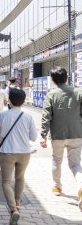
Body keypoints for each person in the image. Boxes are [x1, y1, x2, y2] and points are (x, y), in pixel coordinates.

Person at [40, 67, 82, 210]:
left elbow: (46, 115)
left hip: (57, 135)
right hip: (76, 134)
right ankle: (81, 186)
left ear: (52, 80)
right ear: (67, 78)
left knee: (57, 160)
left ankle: (57, 187)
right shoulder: (78, 92)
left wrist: (43, 135)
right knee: (75, 164)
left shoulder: (51, 95)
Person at [0, 88, 38, 225]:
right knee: (20, 178)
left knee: (6, 182)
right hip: (24, 152)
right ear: (23, 101)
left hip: (7, 152)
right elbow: (33, 137)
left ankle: (13, 210)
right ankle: (17, 205)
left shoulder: (2, 116)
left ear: (10, 100)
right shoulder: (28, 117)